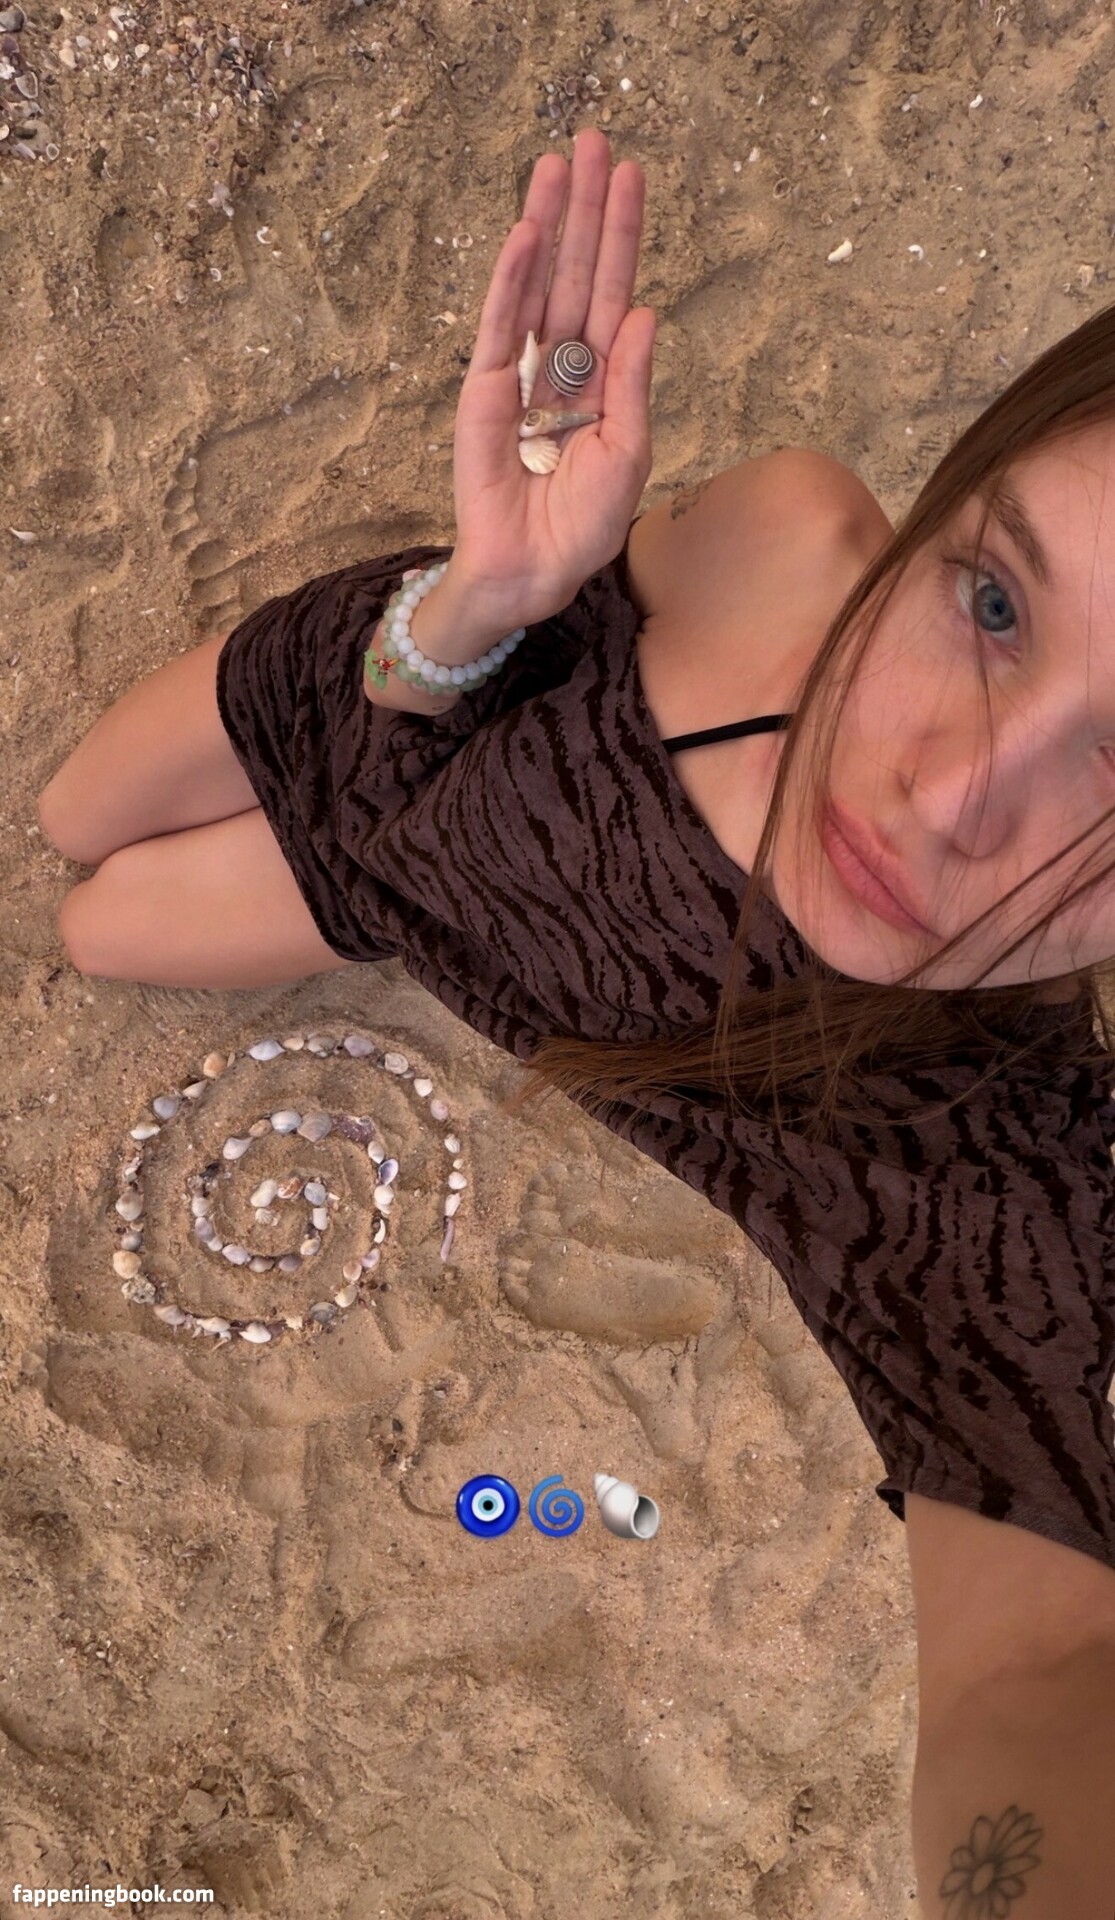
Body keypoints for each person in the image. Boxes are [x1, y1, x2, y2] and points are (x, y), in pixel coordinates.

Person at [36, 127, 1115, 1913]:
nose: (950, 797)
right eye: (995, 604)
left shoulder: (991, 1168)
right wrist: (479, 601)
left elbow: (1051, 1679)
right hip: (416, 730)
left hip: (409, 919)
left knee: (101, 926)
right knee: (77, 821)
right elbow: (502, 665)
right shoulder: (791, 532)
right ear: (944, 515)